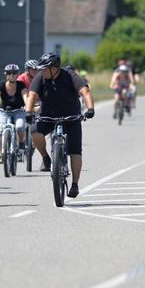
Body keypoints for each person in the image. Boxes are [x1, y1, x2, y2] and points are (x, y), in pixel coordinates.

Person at [25, 52, 95, 198]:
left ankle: (74, 184)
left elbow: (85, 91)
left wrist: (90, 109)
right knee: (34, 131)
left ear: (55, 68)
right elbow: (32, 95)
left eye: (45, 69)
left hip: (71, 116)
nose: (42, 71)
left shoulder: (70, 76)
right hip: (48, 115)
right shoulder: (41, 76)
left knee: (75, 151)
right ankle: (46, 157)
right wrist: (28, 111)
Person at [0, 63, 28, 164]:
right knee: (0, 131)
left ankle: (21, 145)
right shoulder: (1, 85)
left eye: (14, 73)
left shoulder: (21, 85)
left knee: (20, 127)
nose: (12, 75)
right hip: (4, 111)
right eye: (9, 73)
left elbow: (25, 96)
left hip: (18, 111)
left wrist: (27, 106)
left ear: (18, 74)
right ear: (6, 74)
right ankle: (1, 155)